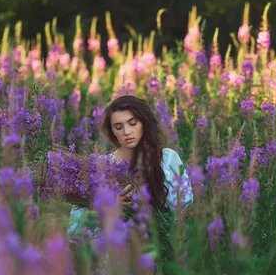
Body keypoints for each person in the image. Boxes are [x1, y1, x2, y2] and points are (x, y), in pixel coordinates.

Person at [67, 95, 193, 258]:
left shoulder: (167, 159)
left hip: (160, 256)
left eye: (133, 124)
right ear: (112, 131)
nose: (127, 132)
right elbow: (75, 233)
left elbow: (183, 213)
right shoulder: (99, 167)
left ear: (144, 123)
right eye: (118, 127)